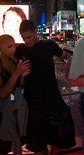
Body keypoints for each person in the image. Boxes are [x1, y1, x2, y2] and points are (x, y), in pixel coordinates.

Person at [14, 20, 76, 155]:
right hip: (33, 100)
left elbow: (67, 57)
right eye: (23, 38)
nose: (26, 41)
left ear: (36, 32)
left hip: (52, 98)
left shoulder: (48, 45)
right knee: (38, 144)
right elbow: (10, 68)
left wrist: (67, 70)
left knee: (63, 133)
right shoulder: (20, 49)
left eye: (28, 37)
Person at [0, 34, 31, 154]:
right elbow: (1, 93)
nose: (13, 49)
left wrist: (22, 76)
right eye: (9, 46)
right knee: (1, 144)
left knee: (15, 140)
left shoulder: (15, 61)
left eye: (14, 46)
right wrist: (17, 73)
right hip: (0, 110)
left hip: (14, 106)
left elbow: (17, 85)